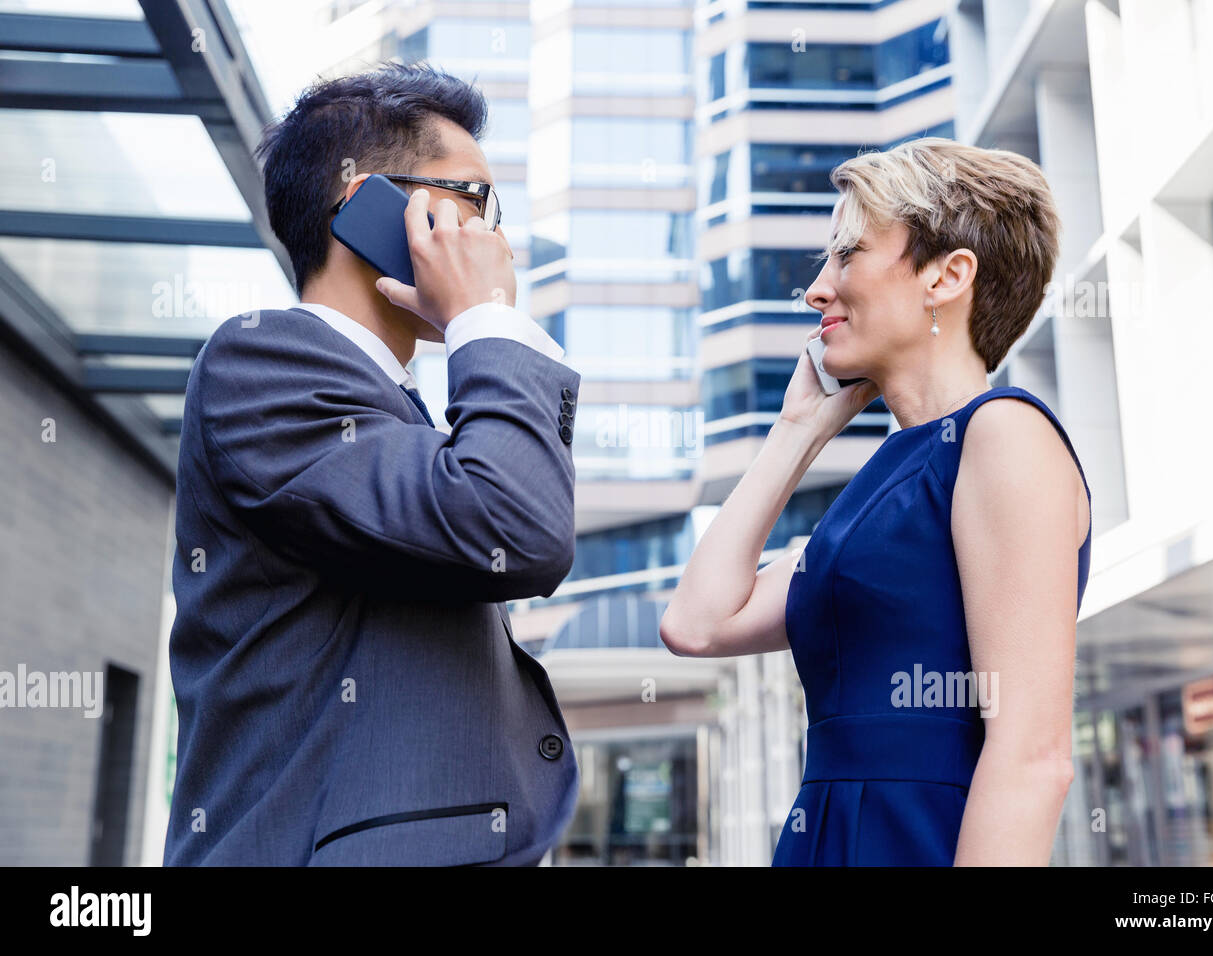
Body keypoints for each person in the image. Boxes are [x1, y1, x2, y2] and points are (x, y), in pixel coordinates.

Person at [164, 64, 580, 865]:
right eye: (476, 201)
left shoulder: (393, 411)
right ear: (370, 207)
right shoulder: (264, 360)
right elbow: (516, 525)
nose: (498, 239)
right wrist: (485, 320)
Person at [660, 138, 1091, 866]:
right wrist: (798, 430)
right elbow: (697, 625)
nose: (817, 290)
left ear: (947, 277)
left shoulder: (1003, 435)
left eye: (849, 255)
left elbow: (1032, 756)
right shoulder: (885, 477)